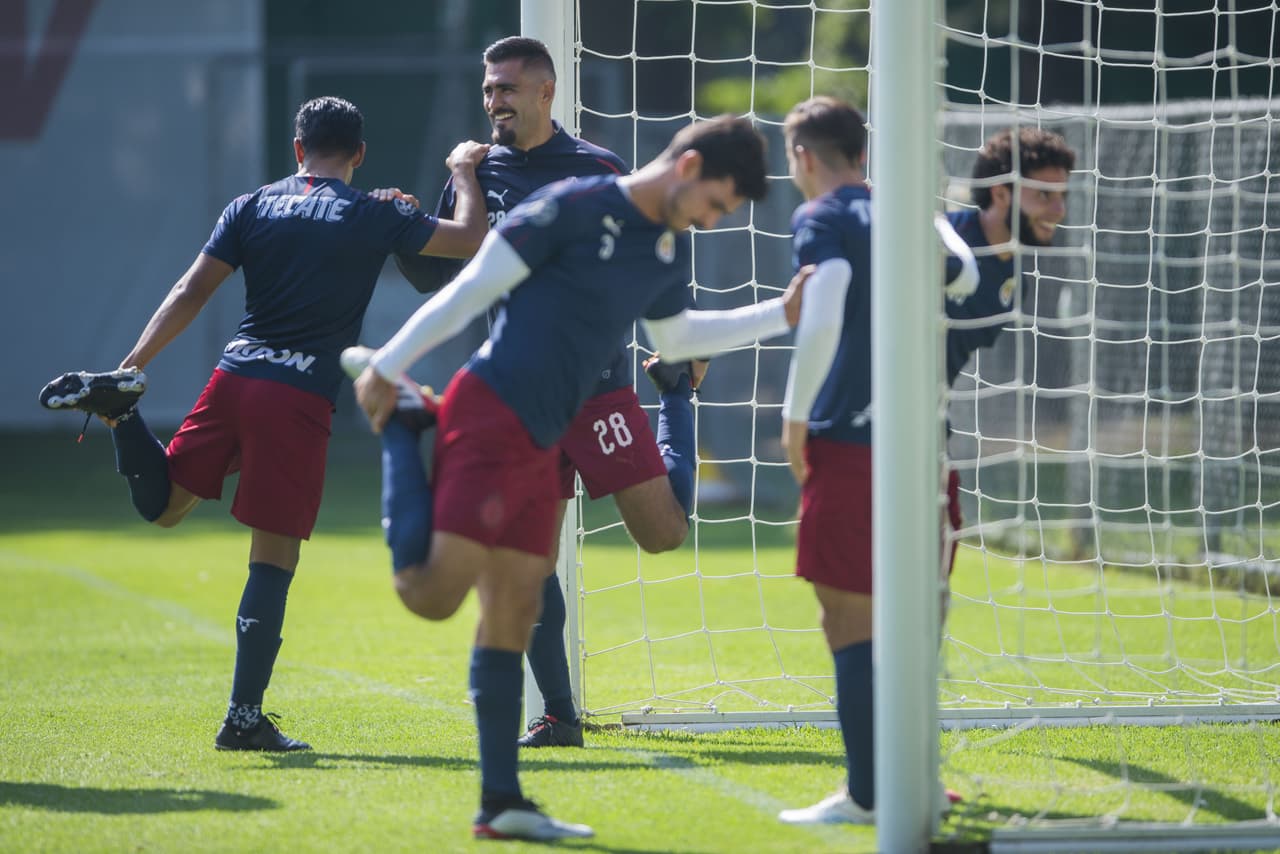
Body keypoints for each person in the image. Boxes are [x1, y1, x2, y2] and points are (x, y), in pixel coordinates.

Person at [345, 115, 805, 841]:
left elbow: (678, 340)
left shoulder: (661, 247)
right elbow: (468, 293)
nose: (712, 221)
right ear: (688, 168)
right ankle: (407, 431)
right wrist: (386, 366)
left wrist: (779, 313)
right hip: (493, 412)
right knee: (431, 596)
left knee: (513, 608)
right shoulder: (571, 206)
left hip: (544, 431)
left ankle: (502, 804)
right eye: (716, 205)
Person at [36, 96, 489, 752]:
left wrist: (133, 364)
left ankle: (122, 408)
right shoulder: (375, 211)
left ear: (298, 149)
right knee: (274, 554)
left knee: (164, 506)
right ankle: (243, 719)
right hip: (296, 396)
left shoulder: (250, 206)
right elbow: (469, 241)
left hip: (235, 377)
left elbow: (190, 290)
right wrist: (465, 170)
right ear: (358, 154)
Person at [380, 35, 707, 750]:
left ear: (545, 92)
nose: (494, 100)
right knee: (527, 562)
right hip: (524, 400)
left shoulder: (597, 170)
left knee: (663, 534)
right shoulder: (480, 171)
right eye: (488, 89)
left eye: (507, 89)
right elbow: (440, 277)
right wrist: (403, 226)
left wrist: (679, 341)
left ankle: (675, 395)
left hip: (599, 391)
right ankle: (558, 714)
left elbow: (649, 254)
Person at [774, 102, 1070, 826]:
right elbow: (854, 291)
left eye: (1062, 194)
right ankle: (884, 784)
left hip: (912, 448)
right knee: (873, 618)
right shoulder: (944, 237)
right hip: (869, 439)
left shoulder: (1001, 266)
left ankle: (891, 784)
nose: (1059, 209)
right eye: (1044, 193)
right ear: (999, 192)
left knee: (914, 619)